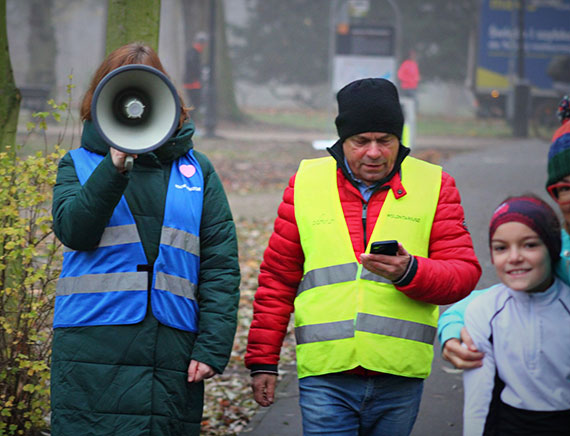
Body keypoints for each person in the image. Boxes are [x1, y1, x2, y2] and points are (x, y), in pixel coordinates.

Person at [245, 77, 481, 435]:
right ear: (343, 140)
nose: (374, 152)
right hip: (326, 375)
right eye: (361, 141)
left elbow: (463, 273)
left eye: (385, 140)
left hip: (399, 377)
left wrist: (410, 272)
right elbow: (278, 278)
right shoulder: (306, 182)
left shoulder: (435, 184)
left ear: (399, 139)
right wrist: (263, 361)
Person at [50, 43, 240, 436]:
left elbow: (220, 265)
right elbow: (74, 232)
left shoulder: (197, 171)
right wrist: (113, 166)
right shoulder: (80, 165)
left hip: (171, 351)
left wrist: (212, 348)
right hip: (92, 352)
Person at [438, 125, 570, 370]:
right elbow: (503, 296)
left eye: (528, 244)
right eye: (564, 188)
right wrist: (452, 326)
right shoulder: (559, 249)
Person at [461, 195, 570, 435]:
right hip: (507, 425)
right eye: (501, 248)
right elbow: (478, 400)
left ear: (552, 248)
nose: (514, 257)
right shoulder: (484, 311)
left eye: (530, 245)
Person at [184, 32, 207, 116]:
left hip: (193, 81)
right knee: (196, 102)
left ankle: (189, 117)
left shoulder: (194, 53)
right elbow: (193, 66)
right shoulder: (193, 53)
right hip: (193, 82)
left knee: (195, 103)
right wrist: (199, 73)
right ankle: (187, 118)